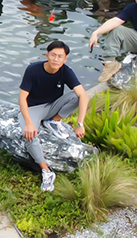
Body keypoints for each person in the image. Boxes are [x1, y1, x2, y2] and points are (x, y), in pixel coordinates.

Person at [19, 40, 91, 193]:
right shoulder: (33, 69)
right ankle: (47, 171)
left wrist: (80, 123)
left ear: (65, 59)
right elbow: (22, 98)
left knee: (78, 96)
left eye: (60, 56)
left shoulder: (66, 71)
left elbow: (83, 96)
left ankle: (54, 121)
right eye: (53, 55)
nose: (56, 59)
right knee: (30, 135)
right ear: (47, 55)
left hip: (52, 106)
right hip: (34, 108)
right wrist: (28, 123)